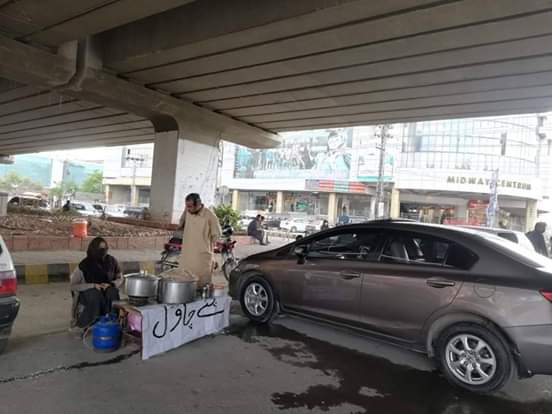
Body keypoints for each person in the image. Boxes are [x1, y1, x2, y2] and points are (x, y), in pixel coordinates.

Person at [70, 237, 122, 328]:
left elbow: (120, 278)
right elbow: (73, 286)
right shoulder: (84, 264)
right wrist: (93, 285)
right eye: (100, 249)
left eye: (105, 249)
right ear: (93, 249)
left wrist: (111, 284)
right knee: (95, 295)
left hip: (107, 288)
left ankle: (112, 322)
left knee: (112, 292)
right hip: (89, 292)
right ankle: (88, 323)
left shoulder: (111, 261)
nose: (103, 251)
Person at [175, 193, 222, 288]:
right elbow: (180, 225)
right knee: (185, 282)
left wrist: (214, 248)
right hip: (187, 255)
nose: (188, 209)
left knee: (201, 284)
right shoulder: (187, 212)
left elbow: (217, 235)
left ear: (199, 203)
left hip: (202, 257)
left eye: (190, 206)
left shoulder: (209, 215)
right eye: (186, 206)